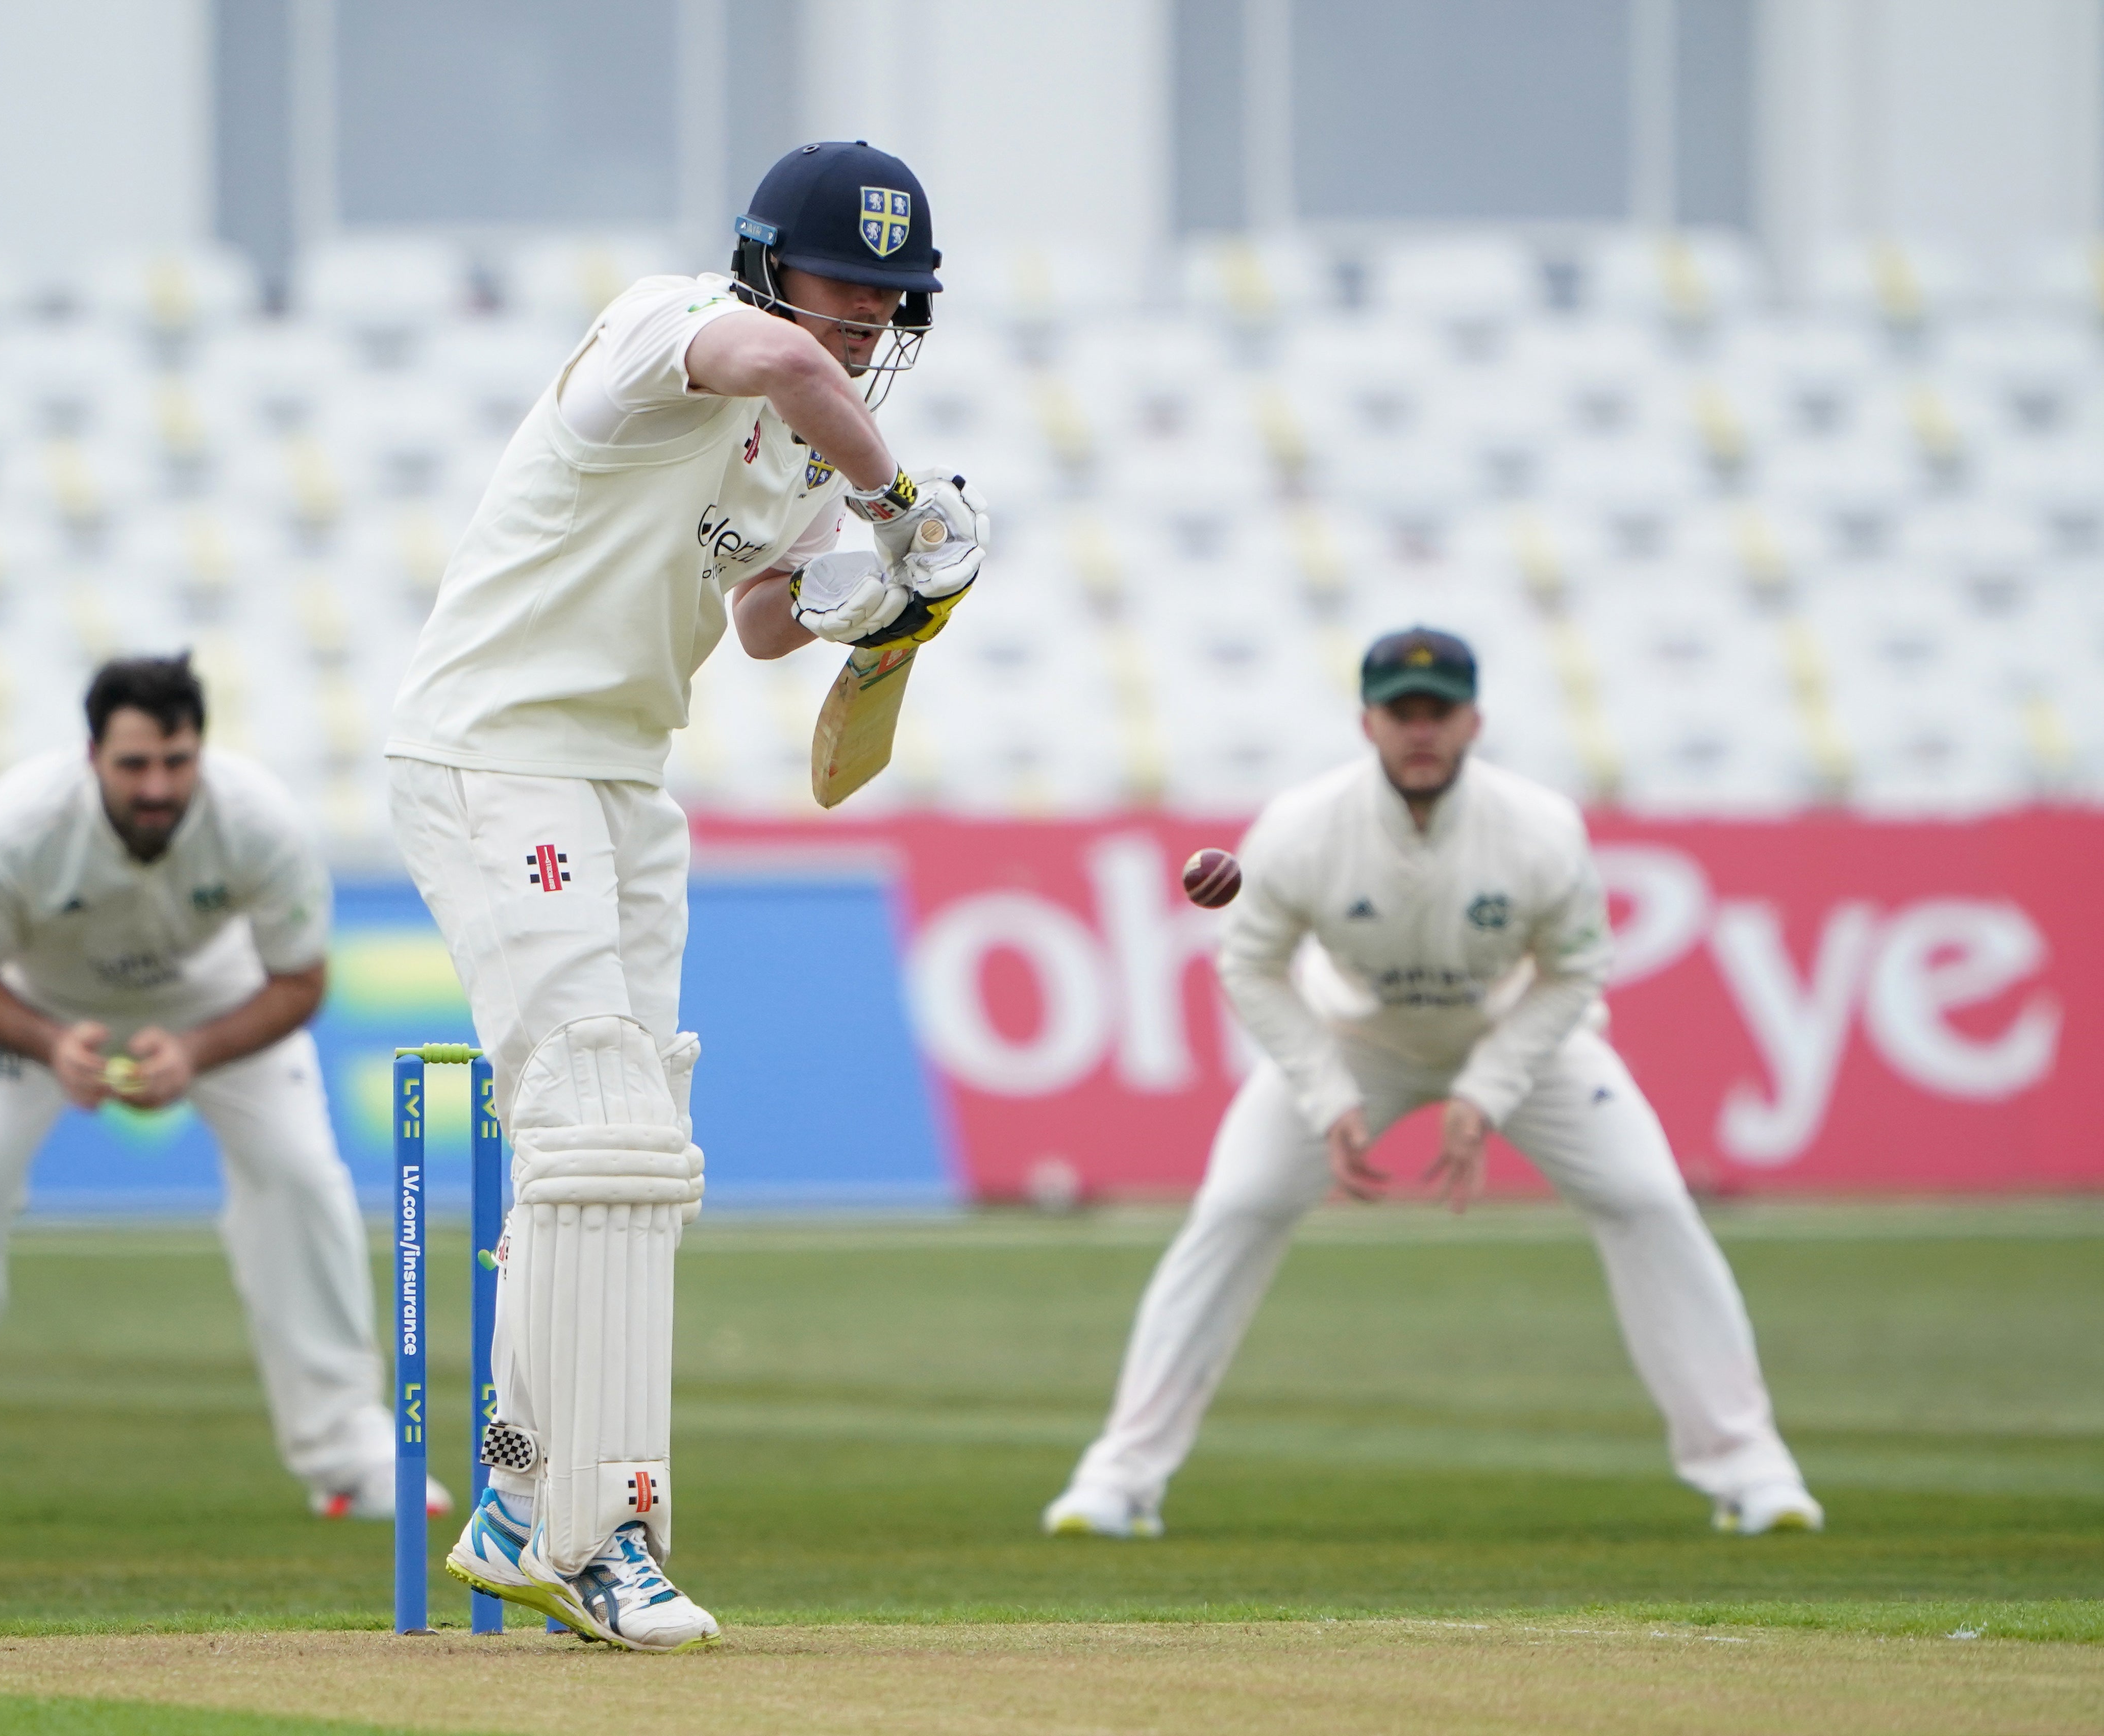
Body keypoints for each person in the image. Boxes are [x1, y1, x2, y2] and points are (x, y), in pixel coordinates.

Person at [385, 141, 987, 1651]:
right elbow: (779, 362)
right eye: (845, 286)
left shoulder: (799, 451)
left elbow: (764, 621)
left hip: (619, 780)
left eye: (890, 301)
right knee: (587, 1119)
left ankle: (564, 1508)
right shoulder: (669, 329)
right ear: (767, 265)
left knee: (631, 1148)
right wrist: (900, 498)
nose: (862, 321)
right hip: (494, 753)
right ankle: (569, 1524)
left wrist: (876, 589)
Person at [1042, 628, 1822, 1541]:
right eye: (1401, 712)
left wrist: (1485, 1091)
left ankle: (1751, 1470)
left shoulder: (1537, 827)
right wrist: (1327, 1092)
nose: (1421, 730)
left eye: (1438, 711)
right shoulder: (1302, 826)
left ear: (1473, 720)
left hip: (1515, 1036)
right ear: (1366, 721)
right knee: (1238, 1206)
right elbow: (1249, 963)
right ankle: (1119, 1477)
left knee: (1646, 1198)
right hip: (1356, 1038)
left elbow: (1575, 971)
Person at [0, 655, 447, 1525]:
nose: (157, 786)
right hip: (38, 1005)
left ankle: (354, 1453)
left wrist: (193, 1051)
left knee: (301, 1175)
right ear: (92, 757)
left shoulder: (257, 819)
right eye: (134, 764)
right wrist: (48, 1042)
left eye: (176, 761)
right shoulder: (16, 826)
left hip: (214, 1003)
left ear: (200, 751)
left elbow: (300, 984)